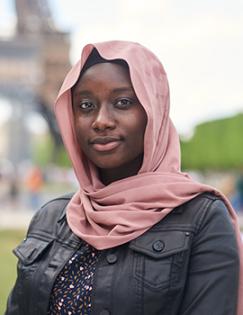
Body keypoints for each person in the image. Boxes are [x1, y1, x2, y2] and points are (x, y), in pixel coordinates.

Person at [5, 41, 243, 315]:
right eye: (85, 105)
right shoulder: (51, 217)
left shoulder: (204, 220)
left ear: (154, 112)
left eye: (123, 102)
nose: (101, 120)